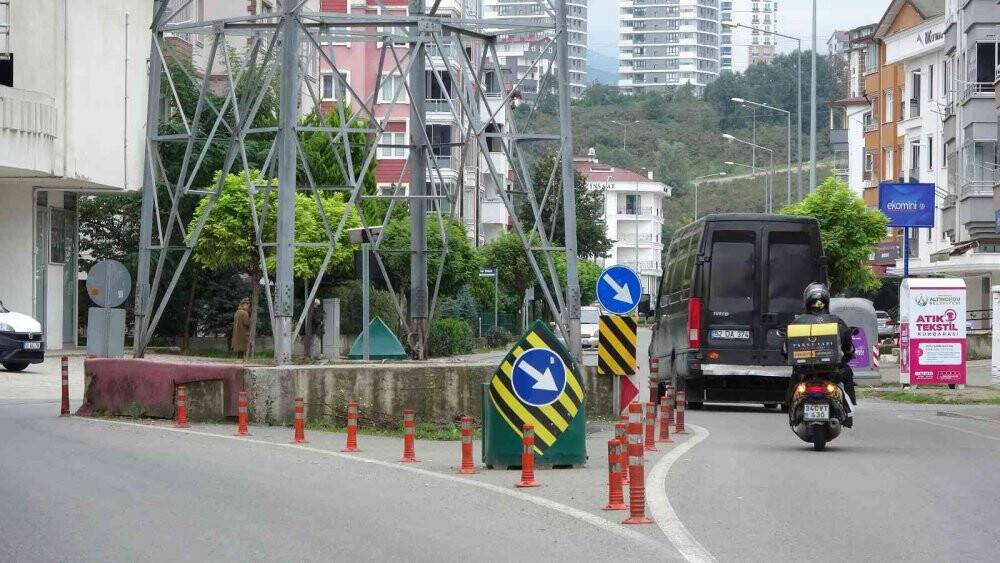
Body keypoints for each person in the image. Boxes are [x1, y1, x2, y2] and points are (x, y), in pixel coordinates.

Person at [786, 282, 857, 427]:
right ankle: (849, 413)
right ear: (827, 301)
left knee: (793, 382)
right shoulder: (836, 321)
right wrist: (849, 354)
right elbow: (848, 345)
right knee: (848, 374)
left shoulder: (797, 322)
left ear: (807, 302)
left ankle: (791, 411)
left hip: (804, 371)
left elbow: (786, 349)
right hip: (832, 371)